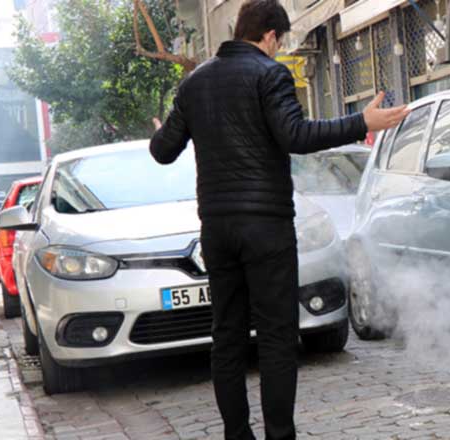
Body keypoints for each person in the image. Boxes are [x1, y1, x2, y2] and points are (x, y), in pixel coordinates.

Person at [148, 1, 409, 438]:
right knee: (275, 335)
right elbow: (296, 136)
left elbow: (161, 150)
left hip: (217, 230)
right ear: (270, 35)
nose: (279, 49)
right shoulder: (270, 74)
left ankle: (237, 434)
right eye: (280, 41)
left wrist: (164, 128)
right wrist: (360, 121)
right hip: (266, 227)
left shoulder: (195, 83)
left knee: (226, 335)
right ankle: (279, 434)